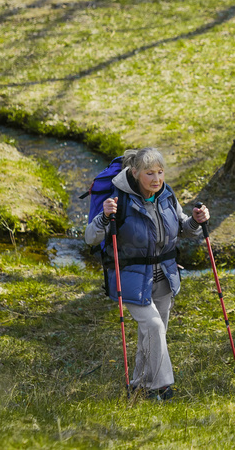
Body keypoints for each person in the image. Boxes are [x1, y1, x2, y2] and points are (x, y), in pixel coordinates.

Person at [85, 148, 208, 400]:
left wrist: (195, 221)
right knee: (152, 325)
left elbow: (183, 229)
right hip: (130, 278)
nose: (156, 178)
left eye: (160, 172)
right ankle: (161, 386)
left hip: (164, 276)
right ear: (134, 173)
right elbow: (90, 238)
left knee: (153, 333)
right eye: (149, 173)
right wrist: (104, 219)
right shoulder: (117, 200)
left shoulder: (167, 195)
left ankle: (139, 383)